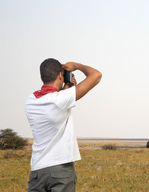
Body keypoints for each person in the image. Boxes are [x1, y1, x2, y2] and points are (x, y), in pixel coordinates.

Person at [25, 58, 102, 192]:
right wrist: (77, 65)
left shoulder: (30, 101)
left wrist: (66, 90)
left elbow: (51, 98)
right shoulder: (61, 99)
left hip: (37, 170)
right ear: (60, 75)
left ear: (41, 77)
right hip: (60, 169)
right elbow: (96, 75)